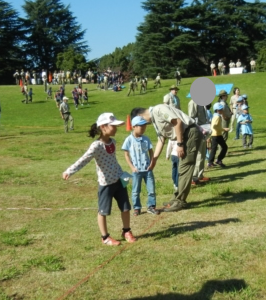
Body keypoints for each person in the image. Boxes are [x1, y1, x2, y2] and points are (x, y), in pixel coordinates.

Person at [62, 113, 136, 246]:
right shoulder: (96, 146)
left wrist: (123, 175)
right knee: (103, 211)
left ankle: (126, 231)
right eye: (113, 126)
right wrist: (69, 171)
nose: (116, 129)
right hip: (106, 184)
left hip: (118, 180)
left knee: (125, 207)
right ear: (103, 127)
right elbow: (84, 159)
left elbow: (113, 160)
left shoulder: (113, 142)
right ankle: (105, 237)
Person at [131, 103, 203, 213]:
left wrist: (179, 144)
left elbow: (177, 122)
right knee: (181, 169)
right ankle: (176, 198)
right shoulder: (154, 120)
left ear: (140, 115)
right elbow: (161, 140)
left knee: (185, 168)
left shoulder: (158, 110)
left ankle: (180, 201)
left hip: (190, 133)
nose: (142, 125)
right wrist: (154, 160)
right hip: (184, 136)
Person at [122, 116, 159, 216]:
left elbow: (151, 152)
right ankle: (136, 208)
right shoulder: (129, 140)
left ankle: (151, 206)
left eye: (144, 126)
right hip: (136, 171)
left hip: (147, 170)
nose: (143, 129)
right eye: (141, 127)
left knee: (151, 190)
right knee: (135, 191)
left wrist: (152, 163)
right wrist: (132, 167)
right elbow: (126, 154)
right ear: (134, 126)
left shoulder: (146, 139)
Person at [187, 99, 211, 186]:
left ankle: (200, 175)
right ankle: (194, 177)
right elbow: (192, 118)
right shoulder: (193, 102)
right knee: (197, 154)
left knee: (202, 154)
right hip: (199, 130)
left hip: (205, 129)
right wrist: (199, 130)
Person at [207, 104, 229, 168]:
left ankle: (210, 162)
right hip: (217, 135)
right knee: (224, 147)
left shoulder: (216, 116)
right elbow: (214, 126)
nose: (222, 110)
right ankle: (218, 160)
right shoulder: (217, 117)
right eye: (221, 109)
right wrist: (223, 129)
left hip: (216, 134)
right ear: (217, 110)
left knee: (214, 149)